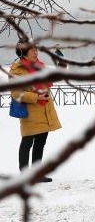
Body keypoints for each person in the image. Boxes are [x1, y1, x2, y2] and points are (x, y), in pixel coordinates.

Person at [10, 41, 62, 182]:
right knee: (27, 142)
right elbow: (16, 93)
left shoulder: (40, 67)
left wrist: (61, 61)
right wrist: (36, 97)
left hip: (44, 110)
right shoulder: (17, 70)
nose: (36, 52)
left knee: (40, 143)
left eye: (36, 50)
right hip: (30, 113)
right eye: (32, 50)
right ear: (24, 53)